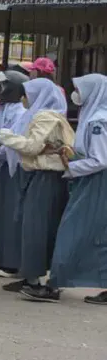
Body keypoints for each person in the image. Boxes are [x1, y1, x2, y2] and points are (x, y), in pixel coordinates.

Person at [0, 78, 72, 299]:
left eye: (28, 94)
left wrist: (5, 136)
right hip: (41, 177)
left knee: (35, 230)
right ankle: (33, 277)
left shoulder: (46, 116)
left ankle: (37, 282)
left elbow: (32, 146)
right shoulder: (47, 115)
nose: (23, 98)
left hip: (45, 178)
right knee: (35, 227)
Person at [45, 74, 107, 305]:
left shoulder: (98, 121)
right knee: (98, 235)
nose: (76, 94)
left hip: (95, 181)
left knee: (71, 231)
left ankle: (54, 285)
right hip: (91, 180)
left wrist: (71, 167)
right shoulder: (91, 116)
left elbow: (100, 159)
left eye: (79, 89)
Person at [0, 78, 27, 277]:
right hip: (2, 167)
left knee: (11, 214)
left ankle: (12, 262)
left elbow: (12, 142)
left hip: (12, 167)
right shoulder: (3, 111)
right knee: (1, 214)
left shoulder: (20, 113)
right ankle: (1, 258)